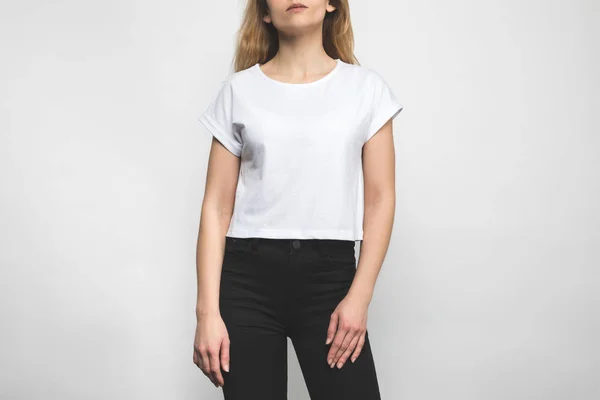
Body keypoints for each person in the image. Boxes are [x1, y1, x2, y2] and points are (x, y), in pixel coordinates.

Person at [193, 1, 403, 399]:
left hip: (331, 282)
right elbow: (215, 208)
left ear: (330, 5)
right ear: (266, 13)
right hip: (245, 283)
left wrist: (360, 296)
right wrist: (207, 313)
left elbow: (380, 200)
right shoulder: (239, 90)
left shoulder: (367, 89)